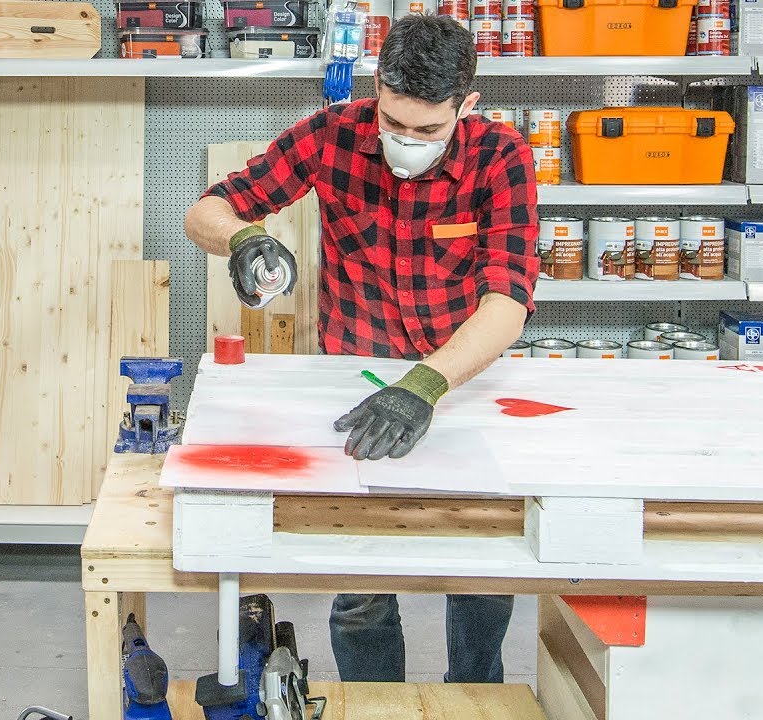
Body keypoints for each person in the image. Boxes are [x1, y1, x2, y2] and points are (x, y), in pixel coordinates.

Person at [183, 14, 539, 684]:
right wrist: (240, 239)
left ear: (467, 105)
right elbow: (208, 208)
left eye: (428, 130)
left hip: (462, 381)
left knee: (485, 574)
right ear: (377, 88)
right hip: (354, 379)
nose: (407, 141)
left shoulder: (502, 156)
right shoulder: (332, 134)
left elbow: (507, 302)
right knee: (360, 584)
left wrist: (427, 384)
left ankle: (474, 696)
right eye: (394, 123)